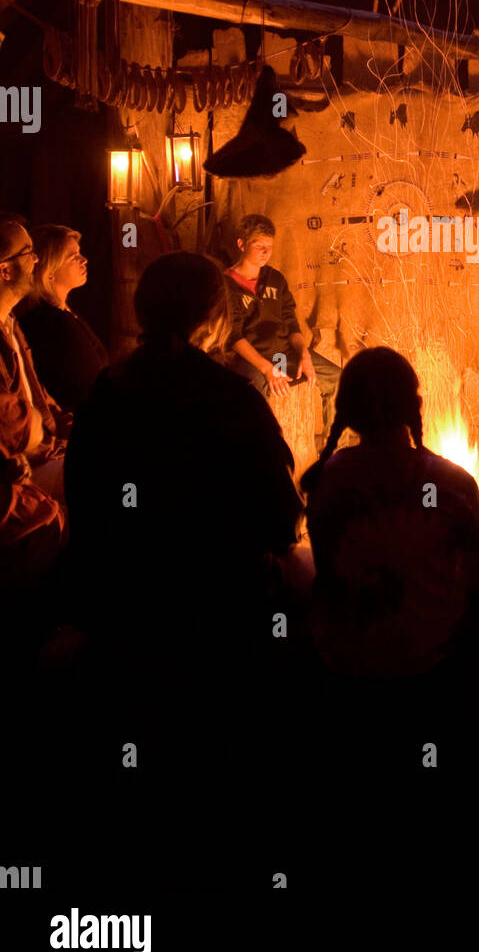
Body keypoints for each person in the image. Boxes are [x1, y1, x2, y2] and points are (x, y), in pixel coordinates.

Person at [64, 251, 302, 663]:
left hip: (122, 602)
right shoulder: (232, 399)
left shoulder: (106, 391)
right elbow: (281, 519)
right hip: (220, 611)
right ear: (214, 318)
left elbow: (84, 501)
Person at [301, 347, 479, 679]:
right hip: (430, 659)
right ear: (415, 407)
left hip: (343, 656)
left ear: (347, 412)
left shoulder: (324, 479)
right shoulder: (453, 482)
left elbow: (327, 575)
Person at [0, 215, 67, 621]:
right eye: (29, 253)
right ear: (5, 270)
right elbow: (15, 426)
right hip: (20, 468)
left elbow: (38, 399)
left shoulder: (11, 325)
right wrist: (40, 431)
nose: (37, 260)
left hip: (42, 451)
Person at [224, 214, 340, 432]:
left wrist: (304, 354)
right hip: (251, 359)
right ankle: (260, 455)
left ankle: (334, 450)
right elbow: (234, 337)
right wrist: (267, 369)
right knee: (253, 395)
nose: (265, 252)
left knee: (336, 378)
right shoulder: (226, 285)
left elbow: (291, 323)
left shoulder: (275, 279)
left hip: (282, 355)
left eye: (269, 246)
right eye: (258, 245)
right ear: (242, 244)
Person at [16, 225, 108, 412]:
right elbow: (85, 384)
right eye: (73, 256)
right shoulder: (50, 324)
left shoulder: (64, 314)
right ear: (50, 269)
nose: (84, 260)